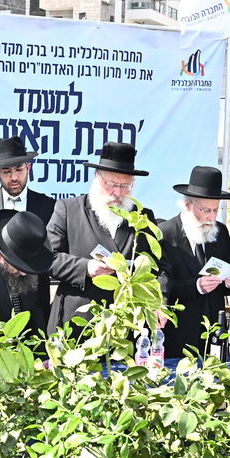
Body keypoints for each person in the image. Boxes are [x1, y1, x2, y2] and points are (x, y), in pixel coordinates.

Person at [46, 142, 158, 332]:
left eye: (125, 186)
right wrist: (86, 267)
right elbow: (47, 258)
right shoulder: (69, 209)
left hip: (124, 323)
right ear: (97, 178)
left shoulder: (142, 217)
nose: (118, 193)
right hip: (77, 321)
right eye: (113, 184)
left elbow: (158, 266)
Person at [157, 166, 230, 359]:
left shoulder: (220, 232)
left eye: (215, 210)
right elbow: (161, 288)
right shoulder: (165, 234)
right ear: (187, 205)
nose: (211, 217)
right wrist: (196, 286)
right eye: (205, 210)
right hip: (179, 333)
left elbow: (226, 275)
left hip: (214, 330)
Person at [0, 136, 56, 241]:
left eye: (19, 169)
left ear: (28, 168)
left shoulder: (49, 205)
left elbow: (53, 250)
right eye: (7, 171)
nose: (14, 177)